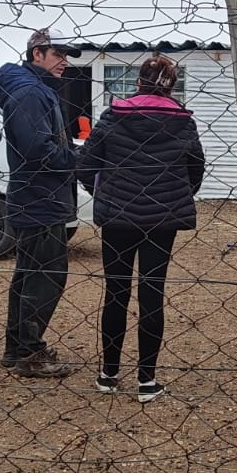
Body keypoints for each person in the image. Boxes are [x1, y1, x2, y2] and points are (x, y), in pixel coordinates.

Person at [76, 54, 205, 403]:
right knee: (152, 293)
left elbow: (86, 164)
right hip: (161, 220)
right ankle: (147, 379)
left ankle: (109, 374)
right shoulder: (183, 122)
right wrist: (172, 195)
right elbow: (195, 169)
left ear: (138, 82)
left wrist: (103, 192)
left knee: (116, 292)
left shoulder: (114, 115)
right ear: (172, 86)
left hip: (118, 217)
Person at [0, 27, 82, 378]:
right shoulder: (30, 93)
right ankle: (29, 353)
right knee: (46, 278)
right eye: (58, 54)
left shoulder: (33, 89)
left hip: (36, 197)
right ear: (37, 54)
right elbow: (37, 150)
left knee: (29, 277)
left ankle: (17, 350)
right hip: (40, 199)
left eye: (66, 55)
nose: (64, 61)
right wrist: (79, 159)